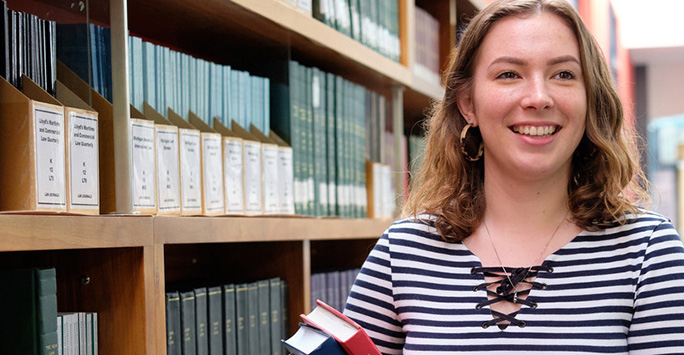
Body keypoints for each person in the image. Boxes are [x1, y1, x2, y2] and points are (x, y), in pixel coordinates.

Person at [342, 0, 684, 353]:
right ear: (467, 103)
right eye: (509, 74)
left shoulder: (648, 252)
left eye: (563, 75)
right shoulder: (402, 252)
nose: (538, 97)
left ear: (590, 100)